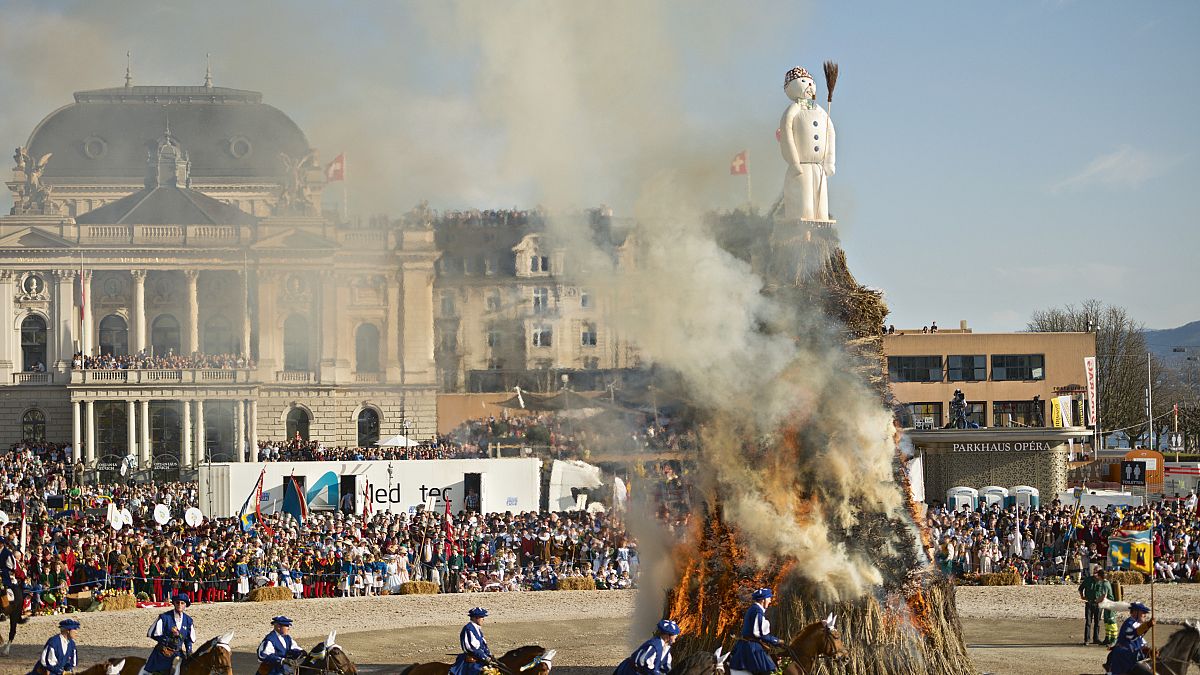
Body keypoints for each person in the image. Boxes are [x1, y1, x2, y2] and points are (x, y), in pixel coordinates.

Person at [777, 67, 836, 222]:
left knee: (820, 198)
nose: (809, 85)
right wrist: (793, 161)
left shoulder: (820, 110)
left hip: (818, 167)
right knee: (804, 202)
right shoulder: (793, 110)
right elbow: (787, 133)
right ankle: (805, 232)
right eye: (803, 81)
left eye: (810, 82)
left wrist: (829, 162)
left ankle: (821, 223)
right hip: (801, 167)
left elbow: (831, 134)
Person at [729, 588, 783, 675]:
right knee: (767, 672)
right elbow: (759, 633)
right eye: (769, 598)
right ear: (763, 600)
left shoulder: (754, 609)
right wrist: (776, 641)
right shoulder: (757, 611)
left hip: (747, 645)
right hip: (751, 647)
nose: (770, 601)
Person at [143, 593, 195, 674]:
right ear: (174, 603)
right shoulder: (164, 617)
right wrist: (167, 641)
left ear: (185, 605)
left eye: (182, 603)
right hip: (162, 654)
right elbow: (151, 633)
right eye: (177, 602)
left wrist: (189, 652)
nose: (179, 605)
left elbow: (188, 639)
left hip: (178, 654)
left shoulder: (188, 620)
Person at [1104, 601, 1155, 675]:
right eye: (1143, 612)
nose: (1145, 615)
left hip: (1132, 654)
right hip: (1124, 656)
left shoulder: (1136, 623)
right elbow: (1131, 635)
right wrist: (1147, 625)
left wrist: (1147, 650)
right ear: (1135, 612)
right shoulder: (1129, 623)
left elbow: (1139, 639)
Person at [613, 619, 680, 675]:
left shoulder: (666, 647)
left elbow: (665, 665)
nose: (676, 637)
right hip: (631, 671)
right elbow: (643, 663)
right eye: (675, 635)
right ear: (667, 636)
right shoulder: (654, 645)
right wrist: (656, 673)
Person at [451, 607, 494, 675]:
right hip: (473, 658)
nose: (483, 619)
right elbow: (471, 647)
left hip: (480, 657)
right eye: (481, 617)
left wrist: (489, 655)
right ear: (475, 618)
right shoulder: (469, 628)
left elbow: (483, 645)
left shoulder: (477, 629)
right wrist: (485, 657)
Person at [1078, 567, 1111, 645]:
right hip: (1089, 603)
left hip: (1098, 604)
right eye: (1094, 571)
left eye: (1097, 571)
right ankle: (1087, 640)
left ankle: (1096, 639)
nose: (1095, 573)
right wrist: (1082, 596)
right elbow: (1080, 588)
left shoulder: (1102, 581)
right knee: (1088, 622)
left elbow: (1106, 593)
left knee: (1097, 622)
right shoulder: (1088, 579)